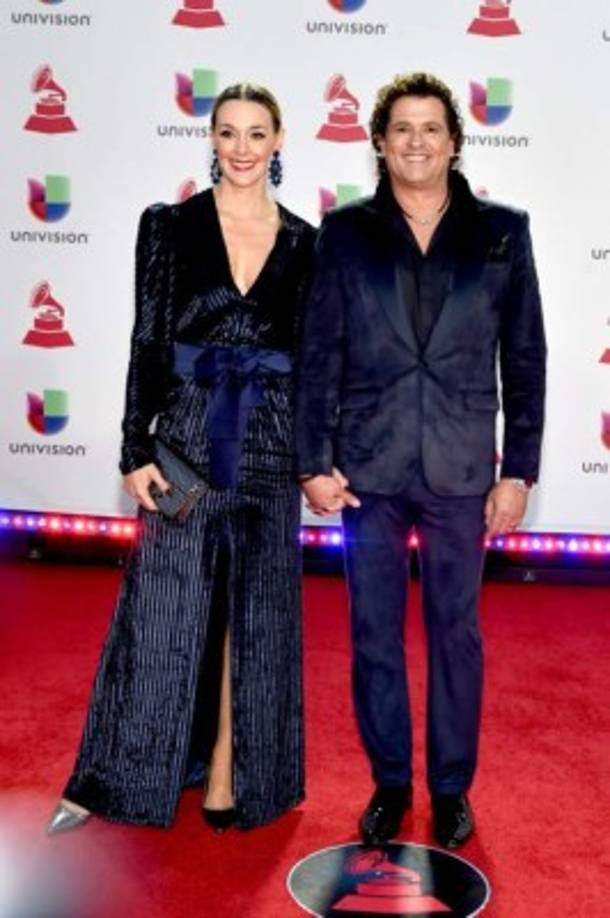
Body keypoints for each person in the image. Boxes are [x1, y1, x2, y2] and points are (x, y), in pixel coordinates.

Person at [47, 83, 315, 835]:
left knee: (256, 611)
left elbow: (315, 357)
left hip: (270, 437)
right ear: (212, 139)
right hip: (190, 436)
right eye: (227, 133)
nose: (240, 148)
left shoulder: (305, 242)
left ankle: (232, 769)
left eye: (256, 133)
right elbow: (147, 339)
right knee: (162, 606)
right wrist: (136, 445)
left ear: (279, 140)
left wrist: (318, 452)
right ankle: (117, 774)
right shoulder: (170, 227)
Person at [295, 72, 546, 848]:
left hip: (463, 469)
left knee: (456, 632)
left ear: (454, 141)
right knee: (373, 633)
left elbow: (526, 355)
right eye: (400, 128)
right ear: (378, 141)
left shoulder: (503, 230)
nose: (415, 141)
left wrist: (519, 469)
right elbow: (318, 350)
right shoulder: (344, 233)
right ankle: (391, 783)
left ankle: (451, 786)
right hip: (367, 471)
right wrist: (313, 459)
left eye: (431, 128)